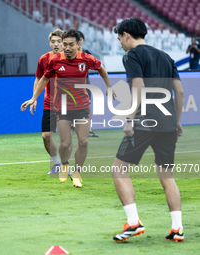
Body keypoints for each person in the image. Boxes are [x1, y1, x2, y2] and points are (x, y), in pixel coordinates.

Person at [112, 17, 184, 242]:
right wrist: (177, 121)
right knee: (167, 176)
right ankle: (177, 229)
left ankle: (133, 223)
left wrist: (130, 118)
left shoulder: (132, 55)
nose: (121, 44)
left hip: (145, 122)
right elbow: (179, 92)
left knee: (119, 170)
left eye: (120, 39)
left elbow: (138, 86)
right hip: (167, 123)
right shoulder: (166, 57)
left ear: (126, 35)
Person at [21, 28, 112, 188]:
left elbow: (101, 69)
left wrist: (109, 87)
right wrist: (34, 98)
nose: (67, 47)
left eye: (71, 44)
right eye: (65, 44)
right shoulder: (55, 61)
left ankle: (76, 172)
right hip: (62, 107)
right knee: (65, 144)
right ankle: (63, 165)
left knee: (83, 142)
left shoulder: (86, 59)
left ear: (78, 44)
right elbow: (43, 79)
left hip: (82, 106)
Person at [29, 29, 72, 175]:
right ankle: (57, 163)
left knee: (66, 139)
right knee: (46, 136)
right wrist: (34, 98)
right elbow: (39, 78)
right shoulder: (44, 59)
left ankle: (66, 165)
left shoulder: (71, 59)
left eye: (59, 41)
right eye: (53, 41)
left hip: (67, 103)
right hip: (49, 102)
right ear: (49, 43)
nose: (56, 44)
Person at [77, 31, 99, 138]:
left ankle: (88, 130)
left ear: (83, 41)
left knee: (87, 108)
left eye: (80, 40)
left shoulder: (87, 53)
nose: (78, 42)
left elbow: (92, 66)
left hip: (85, 85)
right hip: (71, 86)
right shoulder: (68, 54)